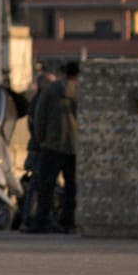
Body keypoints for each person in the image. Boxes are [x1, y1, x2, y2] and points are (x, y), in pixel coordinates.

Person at [26, 63, 80, 233]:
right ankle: (67, 221)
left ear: (63, 73)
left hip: (52, 145)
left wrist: (41, 138)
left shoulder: (51, 90)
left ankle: (42, 220)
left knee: (46, 185)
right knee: (72, 186)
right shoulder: (83, 91)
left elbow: (39, 115)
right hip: (74, 146)